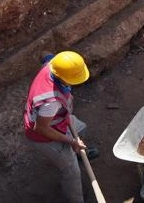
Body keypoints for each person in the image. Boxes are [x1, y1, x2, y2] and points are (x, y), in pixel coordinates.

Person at [23, 51, 97, 203]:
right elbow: (41, 128)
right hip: (43, 135)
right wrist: (70, 141)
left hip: (59, 119)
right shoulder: (51, 101)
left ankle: (79, 153)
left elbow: (44, 53)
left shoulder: (52, 65)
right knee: (71, 171)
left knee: (81, 128)